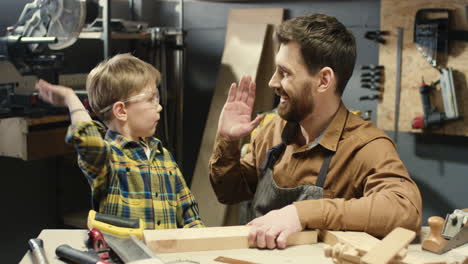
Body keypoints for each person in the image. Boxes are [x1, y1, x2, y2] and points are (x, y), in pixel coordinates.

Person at [209, 14, 422, 249]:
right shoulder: (271, 131)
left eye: (285, 72)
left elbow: (405, 210)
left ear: (323, 80)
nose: (272, 82)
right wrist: (227, 142)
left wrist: (301, 214)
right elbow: (229, 193)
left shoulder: (366, 145)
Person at [36, 53, 204, 229]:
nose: (159, 106)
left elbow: (189, 213)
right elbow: (89, 141)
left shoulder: (164, 157)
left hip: (164, 255)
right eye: (151, 99)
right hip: (123, 256)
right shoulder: (108, 159)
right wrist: (71, 99)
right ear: (121, 111)